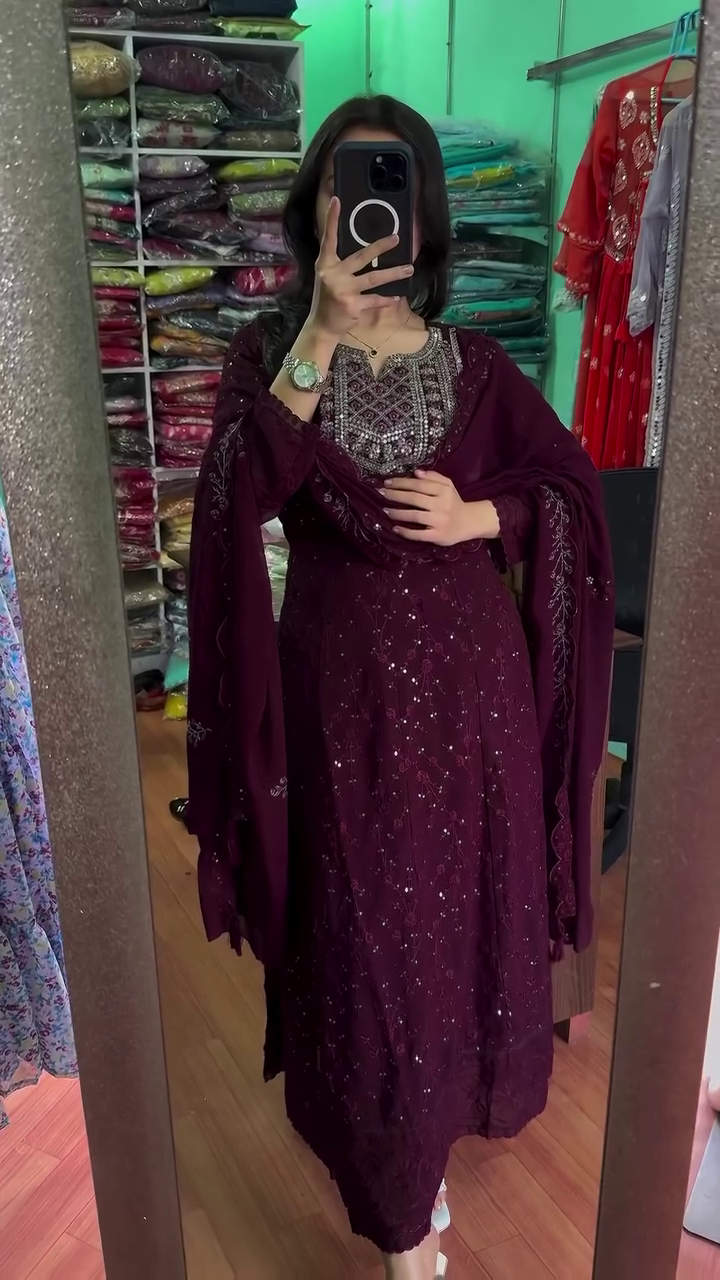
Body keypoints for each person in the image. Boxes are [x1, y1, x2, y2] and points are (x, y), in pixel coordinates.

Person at [187, 95, 615, 1280]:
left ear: (422, 215)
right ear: (313, 204)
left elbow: (570, 489)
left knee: (455, 930)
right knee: (365, 939)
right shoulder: (267, 356)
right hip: (342, 707)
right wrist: (320, 333)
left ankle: (423, 1165)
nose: (365, 208)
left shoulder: (477, 367)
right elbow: (234, 500)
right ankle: (399, 1199)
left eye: (388, 185)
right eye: (344, 183)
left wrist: (489, 515)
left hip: (473, 706)